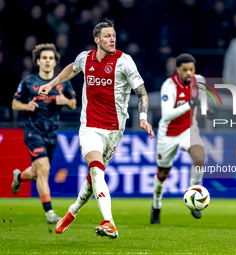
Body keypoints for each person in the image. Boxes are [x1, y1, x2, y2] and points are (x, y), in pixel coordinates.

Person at [38, 18, 155, 239]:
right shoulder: (86, 58)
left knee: (93, 180)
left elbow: (141, 91)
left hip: (114, 130)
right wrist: (51, 84)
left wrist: (143, 117)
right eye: (108, 36)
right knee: (95, 167)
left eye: (114, 36)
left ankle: (72, 211)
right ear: (97, 40)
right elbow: (71, 70)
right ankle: (109, 222)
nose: (112, 39)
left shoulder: (124, 61)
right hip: (90, 126)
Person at [11, 43, 77, 224]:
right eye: (44, 58)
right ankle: (49, 212)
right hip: (33, 130)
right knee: (44, 169)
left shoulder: (62, 82)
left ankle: (20, 176)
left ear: (55, 62)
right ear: (38, 61)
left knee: (36, 172)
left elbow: (73, 103)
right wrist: (26, 106)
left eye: (51, 58)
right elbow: (15, 104)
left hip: (52, 132)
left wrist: (66, 101)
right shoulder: (28, 82)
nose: (48, 61)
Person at [151, 53, 206, 224]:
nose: (189, 73)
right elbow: (167, 115)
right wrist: (189, 105)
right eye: (185, 70)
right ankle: (156, 205)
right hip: (168, 134)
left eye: (192, 69)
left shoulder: (199, 80)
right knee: (163, 173)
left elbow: (201, 102)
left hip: (188, 129)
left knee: (199, 157)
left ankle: (194, 195)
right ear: (178, 70)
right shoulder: (169, 85)